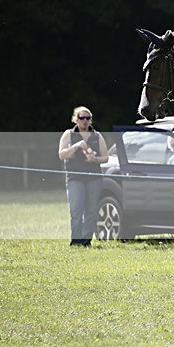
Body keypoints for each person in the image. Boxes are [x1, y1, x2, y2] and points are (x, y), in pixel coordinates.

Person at [58, 106, 109, 247]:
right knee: (76, 211)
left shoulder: (97, 136)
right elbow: (61, 155)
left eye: (88, 118)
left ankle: (86, 241)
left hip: (94, 179)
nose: (85, 121)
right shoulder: (69, 134)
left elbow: (105, 157)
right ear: (76, 119)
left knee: (91, 211)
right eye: (82, 118)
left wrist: (95, 159)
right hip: (75, 179)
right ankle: (76, 241)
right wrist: (76, 146)